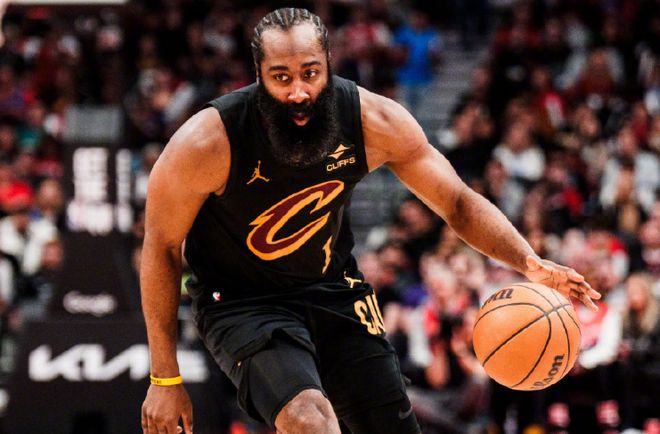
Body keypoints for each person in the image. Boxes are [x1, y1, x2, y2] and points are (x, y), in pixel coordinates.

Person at [140, 8, 601, 434]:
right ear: (258, 76)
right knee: (310, 419)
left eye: (310, 73)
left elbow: (457, 202)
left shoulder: (372, 120)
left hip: (333, 288)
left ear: (329, 65)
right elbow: (161, 246)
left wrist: (528, 261)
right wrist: (164, 377)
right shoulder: (207, 142)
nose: (298, 92)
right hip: (244, 302)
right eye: (281, 78)